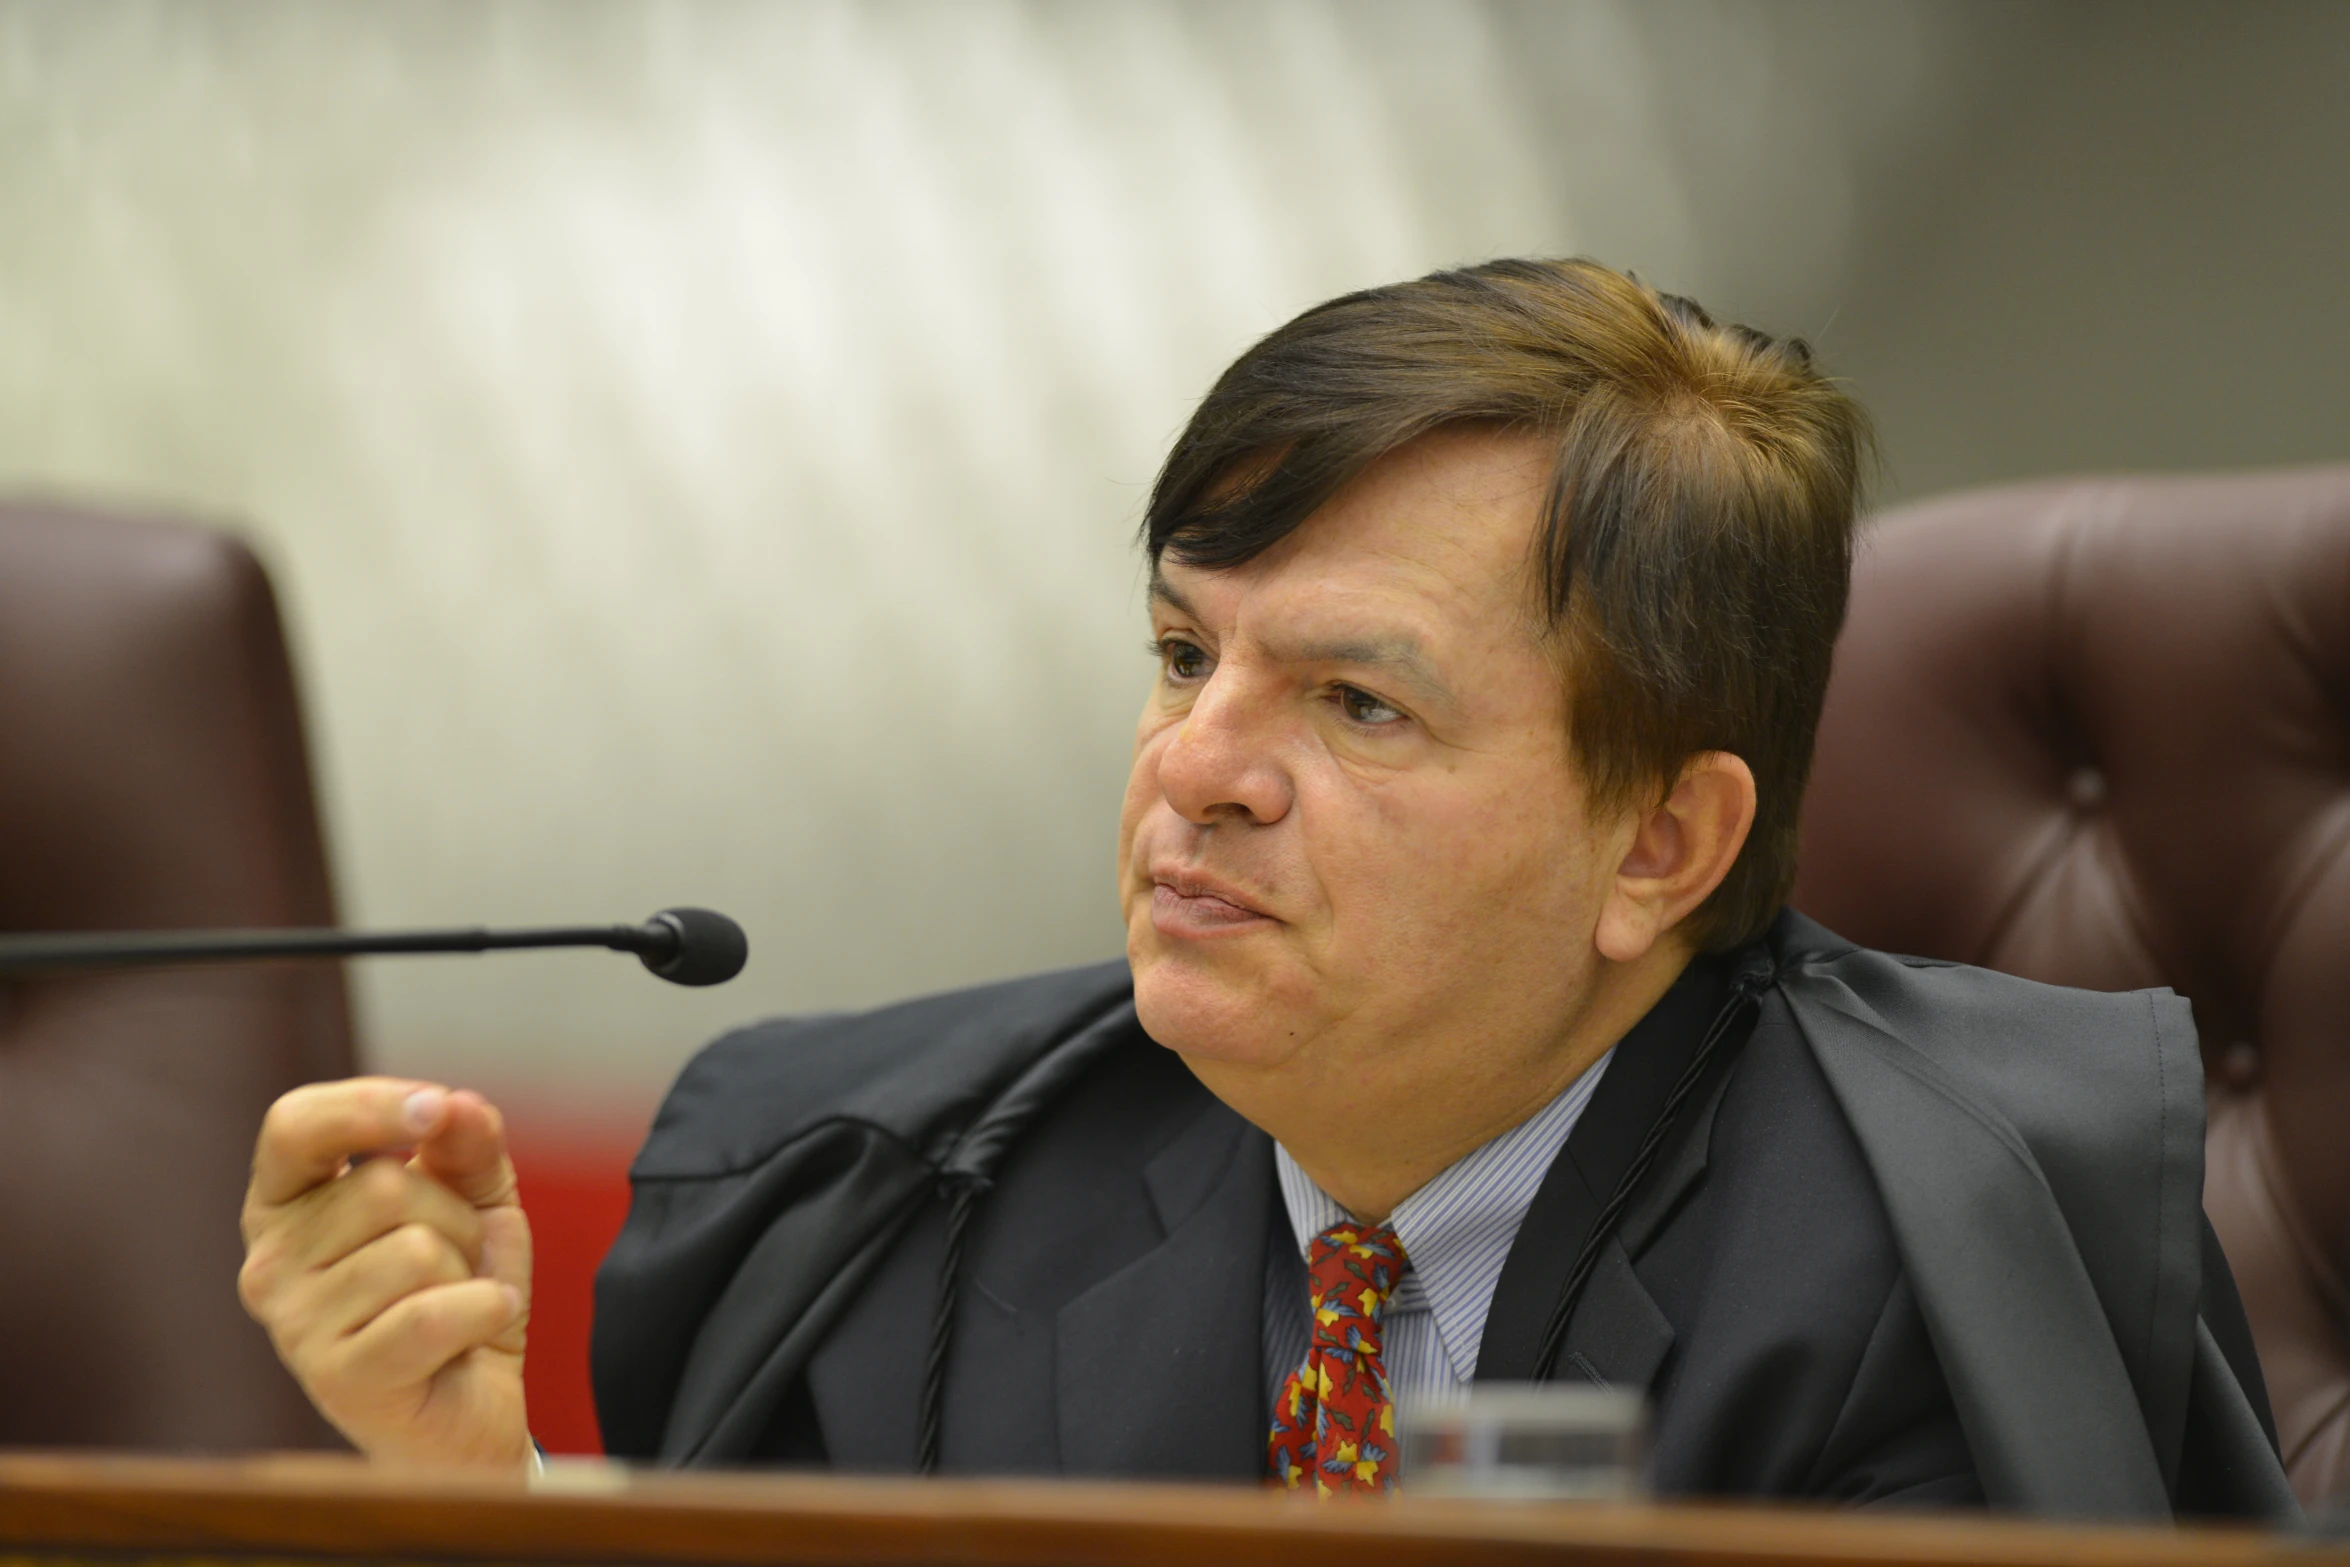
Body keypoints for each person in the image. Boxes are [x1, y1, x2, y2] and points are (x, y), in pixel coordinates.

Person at [238, 257, 2295, 1518]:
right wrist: (466, 1492)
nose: (1194, 769)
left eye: (1353, 705)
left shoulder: (1941, 1254)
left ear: (1656, 844)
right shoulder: (866, 1198)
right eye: (1178, 652)